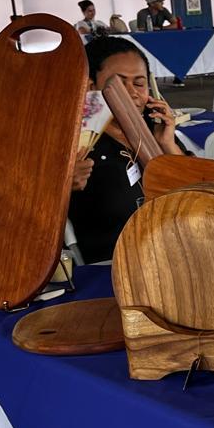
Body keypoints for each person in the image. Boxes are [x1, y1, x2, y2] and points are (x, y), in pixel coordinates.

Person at [68, 37, 181, 263]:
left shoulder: (154, 127)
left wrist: (167, 144)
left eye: (139, 84)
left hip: (173, 247)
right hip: (115, 261)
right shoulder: (76, 143)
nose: (132, 93)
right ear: (91, 87)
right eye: (119, 84)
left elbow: (195, 191)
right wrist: (62, 187)